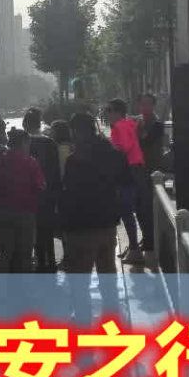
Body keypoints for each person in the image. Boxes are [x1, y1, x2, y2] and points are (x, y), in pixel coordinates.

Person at [60, 112, 130, 322]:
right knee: (108, 277)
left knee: (80, 282)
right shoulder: (112, 154)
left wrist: (63, 225)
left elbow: (71, 195)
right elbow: (125, 183)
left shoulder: (75, 161)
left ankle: (83, 323)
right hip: (107, 225)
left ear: (76, 132)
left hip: (82, 228)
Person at [105, 97, 154, 263]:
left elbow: (124, 147)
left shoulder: (118, 126)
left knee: (126, 211)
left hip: (127, 170)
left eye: (109, 110)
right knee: (139, 209)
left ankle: (134, 248)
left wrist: (110, 146)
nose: (107, 114)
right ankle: (141, 245)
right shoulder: (129, 123)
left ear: (118, 112)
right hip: (138, 168)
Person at [0, 127, 45, 272]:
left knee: (6, 253)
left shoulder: (2, 162)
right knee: (24, 254)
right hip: (25, 213)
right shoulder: (31, 163)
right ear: (24, 143)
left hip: (4, 212)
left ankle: (2, 281)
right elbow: (40, 186)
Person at [22, 106, 62, 271]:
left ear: (25, 125)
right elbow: (56, 172)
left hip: (29, 194)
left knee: (34, 231)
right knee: (47, 231)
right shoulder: (50, 143)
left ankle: (39, 262)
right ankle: (50, 262)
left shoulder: (24, 144)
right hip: (48, 194)